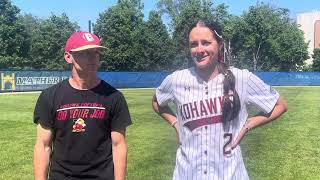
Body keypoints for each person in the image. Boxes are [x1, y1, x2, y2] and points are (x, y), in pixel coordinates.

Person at [152, 20, 287, 179]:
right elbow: (156, 102)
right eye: (194, 44)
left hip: (230, 173)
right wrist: (176, 124)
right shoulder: (176, 80)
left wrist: (248, 126)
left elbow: (280, 105)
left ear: (220, 44)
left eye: (206, 43)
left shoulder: (242, 78)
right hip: (187, 173)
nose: (199, 49)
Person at [33, 31, 132, 180]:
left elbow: (118, 146)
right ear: (68, 57)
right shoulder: (49, 96)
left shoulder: (114, 97)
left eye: (96, 52)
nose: (93, 58)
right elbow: (43, 145)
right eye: (85, 52)